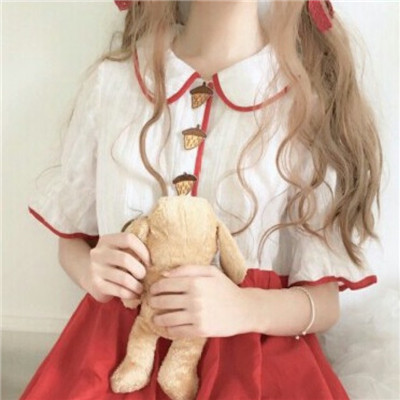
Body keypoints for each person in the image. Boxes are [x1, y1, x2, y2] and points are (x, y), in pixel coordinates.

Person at [21, 0, 382, 399]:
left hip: (255, 367)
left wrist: (243, 307)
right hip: (112, 355)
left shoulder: (304, 106)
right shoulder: (114, 85)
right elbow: (72, 242)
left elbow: (324, 304)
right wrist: (94, 272)